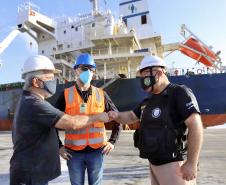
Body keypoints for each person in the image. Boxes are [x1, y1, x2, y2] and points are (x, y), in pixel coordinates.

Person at [10, 55, 109, 185]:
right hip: (30, 175)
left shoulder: (29, 101)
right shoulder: (35, 104)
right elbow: (71, 123)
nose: (54, 81)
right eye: (50, 77)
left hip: (33, 171)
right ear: (36, 82)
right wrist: (98, 117)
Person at [108, 55, 203, 185]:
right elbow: (130, 116)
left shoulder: (179, 92)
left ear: (158, 72)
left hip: (174, 164)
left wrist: (191, 163)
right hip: (154, 164)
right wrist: (116, 115)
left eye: (145, 74)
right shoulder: (148, 101)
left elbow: (195, 126)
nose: (142, 79)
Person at [55, 53, 122, 185]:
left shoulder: (101, 94)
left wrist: (113, 141)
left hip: (97, 151)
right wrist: (59, 146)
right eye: (84, 68)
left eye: (91, 69)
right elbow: (52, 122)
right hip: (73, 153)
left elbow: (117, 117)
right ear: (76, 70)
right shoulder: (66, 95)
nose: (88, 72)